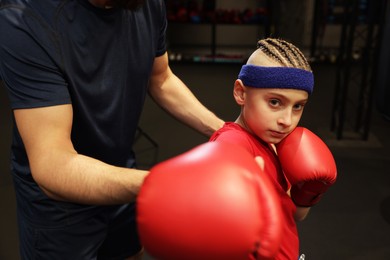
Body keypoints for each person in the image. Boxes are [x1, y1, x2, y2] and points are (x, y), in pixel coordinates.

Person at [0, 0, 223, 259]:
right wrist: (169, 183)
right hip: (59, 208)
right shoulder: (24, 22)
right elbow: (54, 164)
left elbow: (161, 78)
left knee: (129, 252)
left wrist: (223, 131)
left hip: (121, 171)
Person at [209, 38, 316, 259]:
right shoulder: (232, 145)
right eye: (275, 102)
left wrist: (307, 192)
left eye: (298, 106)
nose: (287, 120)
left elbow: (293, 215)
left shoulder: (275, 145)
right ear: (241, 93)